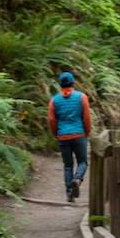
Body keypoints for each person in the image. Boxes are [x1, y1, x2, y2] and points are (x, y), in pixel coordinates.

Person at [49, 72, 91, 202]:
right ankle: (77, 179)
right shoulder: (82, 97)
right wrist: (87, 132)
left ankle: (69, 194)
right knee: (82, 161)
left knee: (67, 165)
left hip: (62, 136)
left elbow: (52, 120)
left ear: (60, 84)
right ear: (73, 83)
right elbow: (86, 117)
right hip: (79, 134)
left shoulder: (54, 100)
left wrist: (56, 134)